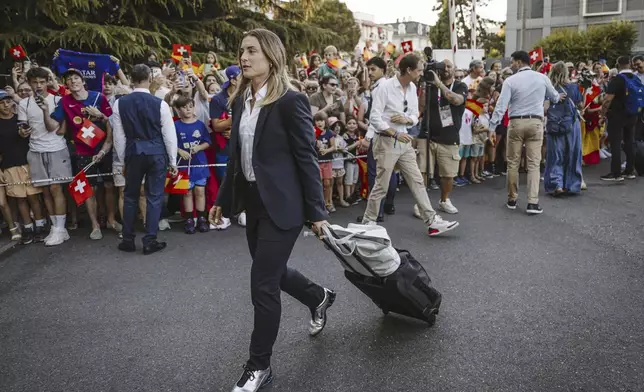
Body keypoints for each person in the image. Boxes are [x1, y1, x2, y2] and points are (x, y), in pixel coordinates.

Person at [208, 29, 336, 392]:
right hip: (252, 202)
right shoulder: (239, 100)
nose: (243, 57)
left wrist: (317, 212)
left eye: (251, 51)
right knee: (272, 272)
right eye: (241, 50)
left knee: (262, 284)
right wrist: (221, 200)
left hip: (285, 206)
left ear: (271, 55)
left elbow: (306, 158)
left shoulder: (290, 100)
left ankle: (258, 366)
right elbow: (237, 157)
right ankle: (318, 296)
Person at [361, 53, 459, 236]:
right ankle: (368, 222)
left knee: (417, 181)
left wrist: (406, 121)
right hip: (387, 141)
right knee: (381, 185)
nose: (422, 73)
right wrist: (395, 132)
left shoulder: (413, 88)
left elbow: (415, 115)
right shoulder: (385, 87)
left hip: (403, 140)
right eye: (419, 70)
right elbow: (374, 117)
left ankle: (431, 221)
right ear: (409, 70)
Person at [111, 64, 178, 255]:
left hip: (134, 152)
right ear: (150, 78)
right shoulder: (160, 104)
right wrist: (172, 161)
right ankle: (150, 239)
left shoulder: (119, 103)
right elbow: (169, 135)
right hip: (156, 152)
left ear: (131, 80)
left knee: (130, 196)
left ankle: (128, 239)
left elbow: (119, 136)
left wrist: (124, 159)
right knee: (154, 196)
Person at [489, 51, 564, 215]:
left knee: (513, 163)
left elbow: (501, 106)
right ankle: (532, 202)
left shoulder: (510, 80)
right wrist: (559, 97)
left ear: (519, 62)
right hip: (535, 122)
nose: (511, 65)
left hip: (516, 121)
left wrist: (492, 127)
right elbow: (554, 96)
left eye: (512, 62)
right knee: (533, 164)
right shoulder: (542, 78)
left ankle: (512, 198)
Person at [50, 68, 117, 240]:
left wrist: (100, 115)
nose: (73, 82)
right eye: (69, 80)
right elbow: (53, 123)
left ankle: (110, 219)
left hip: (104, 145)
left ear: (83, 81)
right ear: (66, 85)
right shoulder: (65, 101)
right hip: (82, 149)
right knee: (89, 189)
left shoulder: (99, 97)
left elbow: (112, 121)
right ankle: (95, 225)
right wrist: (44, 109)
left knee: (109, 185)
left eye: (76, 78)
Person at [19, 67, 72, 246]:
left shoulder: (58, 100)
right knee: (46, 191)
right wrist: (23, 131)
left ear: (47, 82)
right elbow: (23, 130)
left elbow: (52, 128)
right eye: (35, 82)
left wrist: (45, 109)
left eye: (42, 82)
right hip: (35, 150)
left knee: (56, 188)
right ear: (30, 83)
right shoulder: (23, 104)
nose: (39, 86)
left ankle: (61, 229)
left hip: (56, 149)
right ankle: (56, 227)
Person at [422, 59, 468, 215]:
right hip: (427, 135)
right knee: (423, 172)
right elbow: (421, 106)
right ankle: (422, 203)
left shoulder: (461, 86)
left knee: (448, 175)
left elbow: (457, 100)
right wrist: (426, 84)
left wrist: (439, 84)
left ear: (454, 70)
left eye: (449, 66)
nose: (446, 69)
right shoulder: (430, 86)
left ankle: (444, 200)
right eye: (443, 66)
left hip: (449, 136)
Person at [543, 61, 583, 195]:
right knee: (572, 153)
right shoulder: (573, 87)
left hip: (554, 125)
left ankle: (556, 184)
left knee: (555, 155)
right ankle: (571, 184)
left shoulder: (549, 89)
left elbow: (545, 108)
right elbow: (580, 105)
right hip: (571, 124)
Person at [173, 96, 211, 233]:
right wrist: (179, 150)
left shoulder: (200, 124)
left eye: (190, 106)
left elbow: (207, 142)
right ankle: (189, 219)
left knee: (200, 191)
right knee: (187, 192)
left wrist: (199, 148)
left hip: (199, 164)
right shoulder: (176, 125)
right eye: (184, 107)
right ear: (178, 109)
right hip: (183, 166)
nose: (188, 109)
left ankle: (201, 218)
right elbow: (170, 143)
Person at [600, 56, 638, 181]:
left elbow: (608, 99)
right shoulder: (635, 78)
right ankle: (630, 170)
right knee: (629, 141)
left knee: (615, 143)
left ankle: (616, 173)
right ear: (630, 64)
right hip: (632, 114)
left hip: (617, 114)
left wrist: (602, 114)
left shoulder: (617, 80)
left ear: (618, 64)